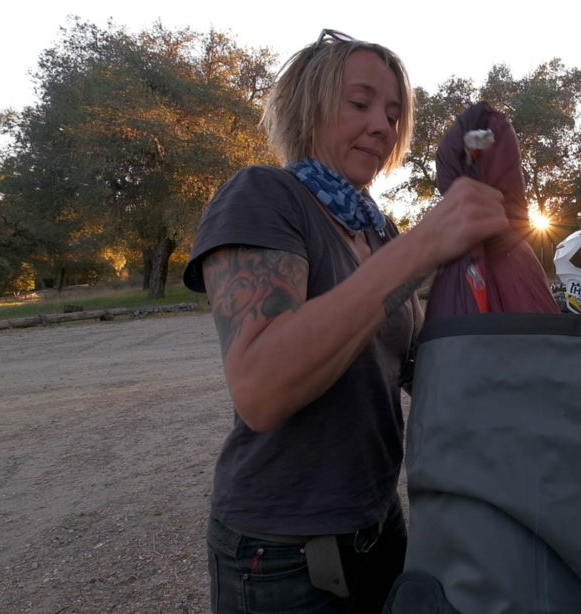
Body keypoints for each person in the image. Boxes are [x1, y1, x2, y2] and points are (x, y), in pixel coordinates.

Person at [181, 28, 508, 613]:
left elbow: (409, 370)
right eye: (360, 103)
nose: (382, 125)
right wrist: (423, 247)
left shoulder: (377, 229)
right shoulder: (263, 195)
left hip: (381, 521)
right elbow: (261, 387)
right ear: (307, 107)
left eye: (393, 112)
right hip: (284, 550)